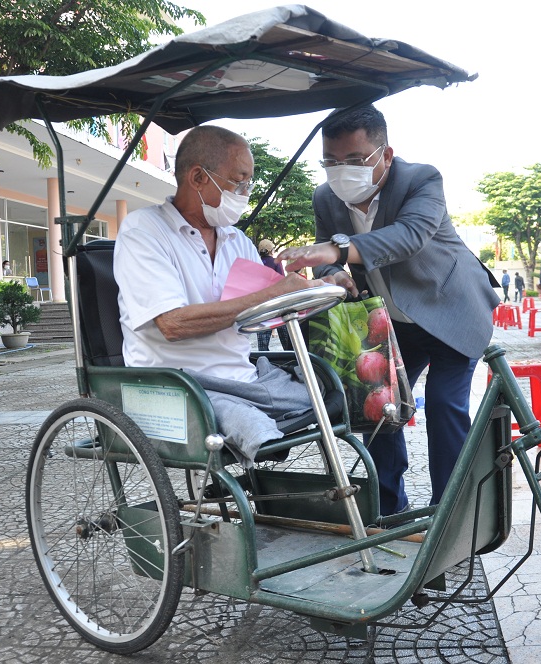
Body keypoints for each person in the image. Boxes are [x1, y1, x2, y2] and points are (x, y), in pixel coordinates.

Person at [277, 104, 499, 517]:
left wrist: (338, 251)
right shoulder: (326, 197)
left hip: (450, 308)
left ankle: (448, 514)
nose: (341, 170)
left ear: (386, 155)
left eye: (355, 160)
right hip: (393, 322)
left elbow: (409, 237)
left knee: (446, 405)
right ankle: (389, 510)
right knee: (378, 409)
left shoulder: (421, 179)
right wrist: (334, 273)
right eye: (330, 161)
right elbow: (326, 251)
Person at [113, 125, 321, 465]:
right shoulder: (144, 231)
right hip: (179, 385)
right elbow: (172, 324)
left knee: (328, 393)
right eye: (238, 182)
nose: (245, 192)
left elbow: (266, 313)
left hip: (245, 378)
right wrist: (273, 292)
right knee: (251, 426)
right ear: (197, 177)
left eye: (248, 184)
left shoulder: (237, 241)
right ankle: (264, 459)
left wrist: (308, 293)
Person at [255, 239, 292, 352]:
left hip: (261, 306)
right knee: (286, 342)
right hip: (277, 304)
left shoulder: (256, 262)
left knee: (263, 346)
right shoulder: (276, 262)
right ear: (271, 250)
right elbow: (282, 281)